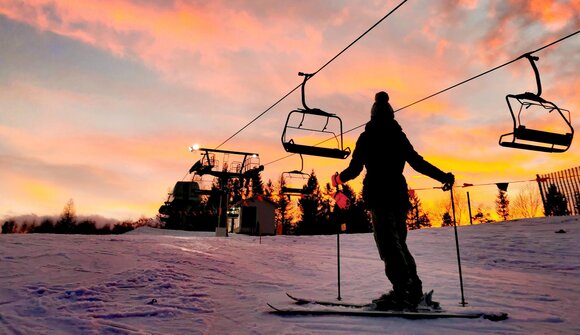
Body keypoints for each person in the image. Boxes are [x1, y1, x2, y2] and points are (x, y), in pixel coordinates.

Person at [331, 91, 454, 310]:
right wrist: (443, 176)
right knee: (398, 243)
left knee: (388, 245)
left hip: (379, 196)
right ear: (391, 114)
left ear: (372, 115)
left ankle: (403, 291)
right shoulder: (398, 135)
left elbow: (355, 169)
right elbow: (418, 163)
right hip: (398, 196)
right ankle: (412, 289)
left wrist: (338, 178)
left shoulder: (367, 136)